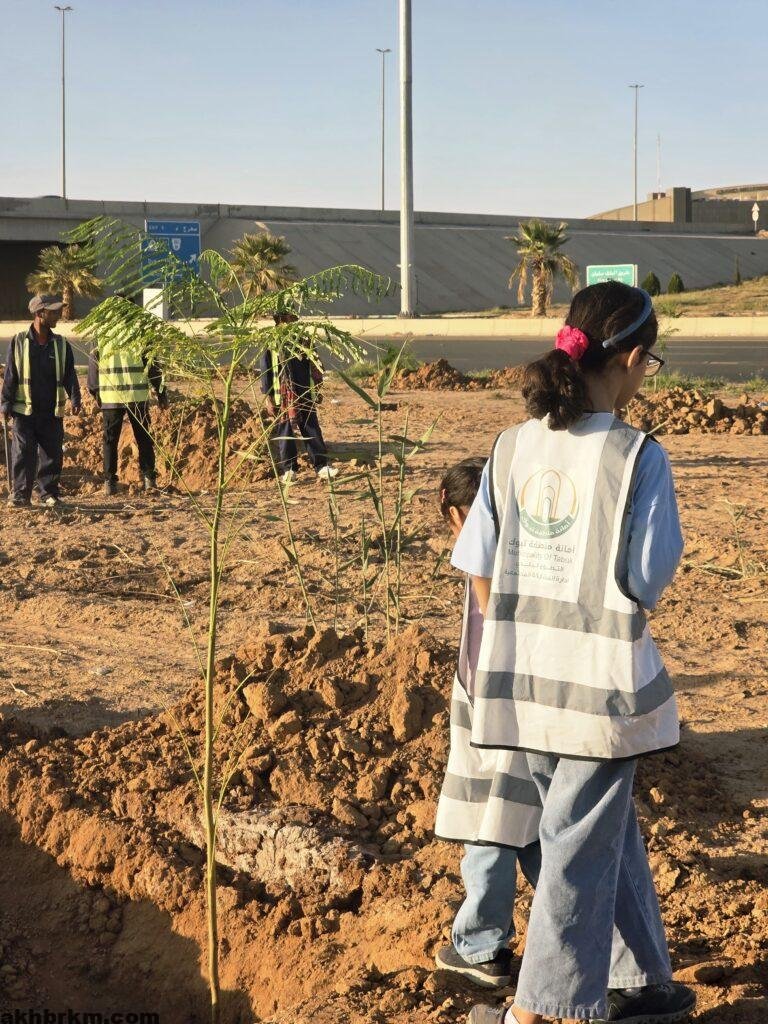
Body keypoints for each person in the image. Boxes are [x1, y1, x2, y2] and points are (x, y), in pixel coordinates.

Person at [461, 283, 695, 1024]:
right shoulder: (636, 456)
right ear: (629, 359)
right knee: (576, 845)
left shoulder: (510, 447)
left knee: (597, 832)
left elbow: (477, 561)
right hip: (597, 691)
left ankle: (642, 982)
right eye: (649, 364)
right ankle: (541, 1009)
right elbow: (647, 577)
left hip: (521, 682)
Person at [434, 458, 542, 990]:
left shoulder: (482, 554)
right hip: (532, 703)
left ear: (458, 514)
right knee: (538, 824)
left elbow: (488, 637)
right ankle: (582, 940)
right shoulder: (531, 547)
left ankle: (481, 945)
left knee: (490, 822)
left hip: (495, 707)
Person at [1, 294, 81, 508]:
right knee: (23, 453)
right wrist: (5, 403)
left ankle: (48, 494)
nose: (58, 315)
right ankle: (20, 495)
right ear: (39, 313)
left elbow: (69, 374)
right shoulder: (19, 341)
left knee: (52, 454)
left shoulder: (61, 344)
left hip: (51, 410)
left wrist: (75, 397)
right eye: (53, 312)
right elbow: (11, 375)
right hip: (24, 410)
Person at [88, 316, 168, 496]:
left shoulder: (101, 333)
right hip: (137, 395)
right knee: (144, 438)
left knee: (110, 440)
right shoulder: (141, 331)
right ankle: (149, 479)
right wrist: (161, 393)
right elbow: (153, 366)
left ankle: (110, 483)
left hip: (111, 396)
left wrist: (95, 391)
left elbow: (93, 365)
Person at [260, 310, 338, 483]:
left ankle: (321, 465)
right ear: (279, 320)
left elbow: (316, 365)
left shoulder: (304, 340)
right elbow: (266, 370)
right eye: (286, 319)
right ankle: (289, 470)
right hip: (282, 396)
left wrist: (317, 388)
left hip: (304, 392)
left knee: (311, 428)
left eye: (291, 318)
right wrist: (268, 397)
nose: (289, 322)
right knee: (285, 431)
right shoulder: (272, 342)